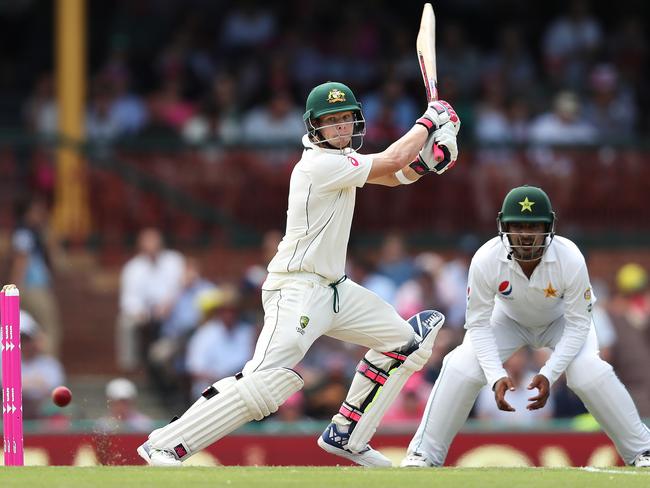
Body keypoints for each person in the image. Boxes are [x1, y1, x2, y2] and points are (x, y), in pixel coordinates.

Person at [137, 81, 460, 467]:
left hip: (336, 290)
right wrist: (430, 120)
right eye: (331, 122)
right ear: (314, 128)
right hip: (297, 288)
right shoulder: (319, 164)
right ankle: (165, 444)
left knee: (406, 343)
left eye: (345, 119)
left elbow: (392, 175)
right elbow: (391, 159)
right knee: (265, 380)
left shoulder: (343, 163)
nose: (341, 128)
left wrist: (427, 163)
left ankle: (348, 435)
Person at [401, 185, 650, 468]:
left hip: (561, 323)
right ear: (503, 226)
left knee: (587, 373)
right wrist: (495, 375)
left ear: (550, 227)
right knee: (460, 365)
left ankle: (643, 450)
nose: (526, 235)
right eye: (517, 226)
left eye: (534, 227)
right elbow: (479, 326)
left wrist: (549, 372)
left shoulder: (570, 257)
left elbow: (579, 326)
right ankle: (424, 453)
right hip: (509, 321)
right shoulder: (485, 259)